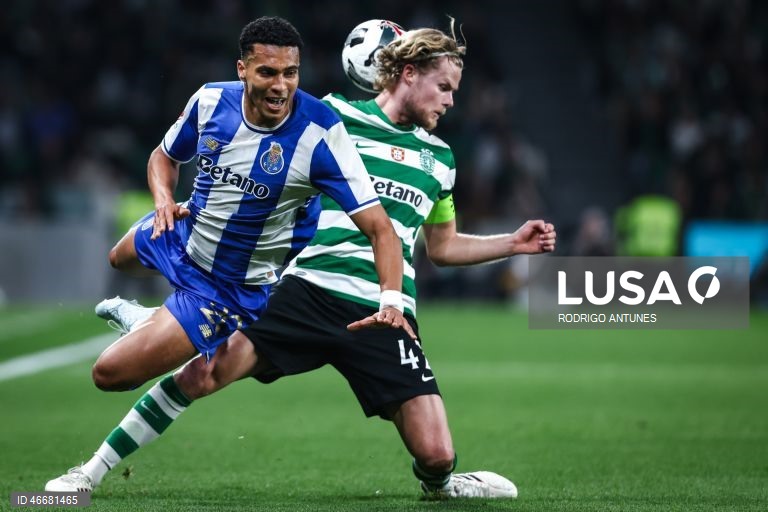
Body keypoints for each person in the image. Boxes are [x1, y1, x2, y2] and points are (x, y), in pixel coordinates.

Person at [47, 20, 556, 499]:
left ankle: (441, 485)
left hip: (381, 309)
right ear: (408, 74)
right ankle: (87, 473)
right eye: (444, 88)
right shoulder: (332, 118)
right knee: (201, 374)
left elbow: (441, 248)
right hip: (303, 288)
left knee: (437, 453)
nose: (450, 101)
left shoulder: (439, 160)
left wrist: (511, 243)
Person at [44, 15, 411, 491]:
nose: (281, 86)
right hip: (185, 230)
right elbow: (163, 157)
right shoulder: (210, 99)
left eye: (291, 73)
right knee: (119, 259)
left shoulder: (321, 132)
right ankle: (147, 318)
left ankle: (85, 475)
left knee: (108, 374)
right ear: (242, 69)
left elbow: (382, 231)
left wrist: (390, 302)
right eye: (268, 73)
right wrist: (162, 202)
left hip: (227, 289)